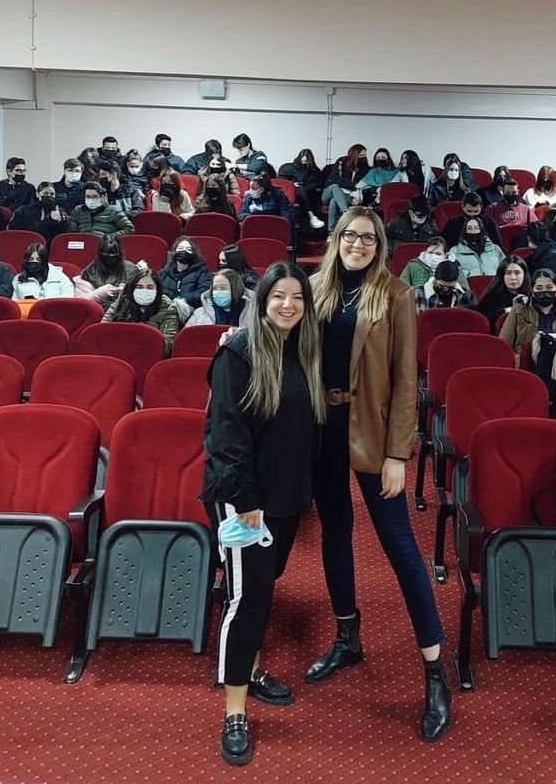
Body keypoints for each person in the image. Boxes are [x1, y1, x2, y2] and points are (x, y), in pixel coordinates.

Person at [303, 208, 451, 741]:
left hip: (371, 429)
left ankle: (435, 671)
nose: (358, 244)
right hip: (321, 429)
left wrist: (397, 454)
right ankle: (348, 637)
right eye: (350, 235)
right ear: (337, 238)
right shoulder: (315, 289)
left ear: (379, 244)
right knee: (335, 533)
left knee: (399, 544)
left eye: (368, 237)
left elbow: (407, 379)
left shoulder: (395, 294)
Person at [202, 262, 323, 766]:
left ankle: (250, 669)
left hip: (287, 496)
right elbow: (225, 434)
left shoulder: (303, 352)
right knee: (246, 600)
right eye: (279, 296)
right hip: (244, 500)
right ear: (262, 300)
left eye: (297, 298)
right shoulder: (237, 352)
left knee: (263, 588)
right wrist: (247, 500)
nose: (288, 305)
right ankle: (234, 711)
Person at [102, 268, 182, 355]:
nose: (145, 291)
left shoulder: (168, 308)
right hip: (117, 351)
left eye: (150, 287)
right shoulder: (122, 301)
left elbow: (167, 345)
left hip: (147, 355)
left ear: (158, 289)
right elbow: (103, 330)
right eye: (139, 287)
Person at [499, 269, 556, 358]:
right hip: (526, 360)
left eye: (549, 287)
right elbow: (504, 343)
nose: (544, 291)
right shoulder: (519, 310)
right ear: (532, 290)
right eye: (539, 288)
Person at [73, 234, 140, 308]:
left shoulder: (131, 270)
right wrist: (103, 292)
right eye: (106, 257)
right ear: (100, 255)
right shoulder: (90, 271)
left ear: (120, 255)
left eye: (114, 257)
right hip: (97, 308)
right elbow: (82, 300)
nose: (110, 261)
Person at [279, 149, 327, 230]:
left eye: (306, 162)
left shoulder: (314, 170)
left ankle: (311, 218)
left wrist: (307, 187)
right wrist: (292, 184)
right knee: (300, 188)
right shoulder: (290, 168)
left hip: (308, 191)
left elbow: (319, 182)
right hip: (293, 190)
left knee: (302, 189)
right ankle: (311, 216)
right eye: (302, 161)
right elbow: (282, 180)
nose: (304, 163)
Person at [474, 257, 530, 326]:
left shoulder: (531, 296)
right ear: (502, 275)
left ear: (524, 275)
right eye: (508, 273)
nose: (513, 278)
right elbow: (484, 321)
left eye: (517, 273)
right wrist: (506, 311)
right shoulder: (491, 298)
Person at [160, 237, 213, 310]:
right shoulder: (165, 272)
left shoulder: (203, 271)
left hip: (193, 309)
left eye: (188, 249)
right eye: (180, 248)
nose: (184, 251)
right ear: (174, 251)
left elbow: (202, 294)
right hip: (167, 309)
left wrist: (177, 299)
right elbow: (160, 291)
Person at [398, 238, 467, 294]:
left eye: (438, 254)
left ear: (445, 255)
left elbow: (465, 291)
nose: (433, 256)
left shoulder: (455, 267)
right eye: (430, 253)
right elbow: (401, 289)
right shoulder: (413, 265)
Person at [322, 149, 369, 230]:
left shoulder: (364, 168)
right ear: (354, 155)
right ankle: (345, 211)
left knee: (334, 201)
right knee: (335, 186)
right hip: (328, 192)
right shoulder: (342, 161)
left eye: (364, 155)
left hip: (347, 194)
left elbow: (363, 184)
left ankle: (331, 230)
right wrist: (353, 185)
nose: (363, 158)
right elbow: (335, 178)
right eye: (361, 155)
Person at [11, 242, 75, 301]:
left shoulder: (59, 276)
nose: (34, 262)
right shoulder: (18, 280)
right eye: (31, 259)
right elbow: (14, 302)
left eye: (38, 259)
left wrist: (46, 302)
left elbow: (69, 296)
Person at [68, 181, 134, 237]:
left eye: (95, 196)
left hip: (105, 246)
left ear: (102, 197)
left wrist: (110, 237)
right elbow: (71, 233)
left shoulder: (113, 210)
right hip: (83, 244)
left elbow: (129, 229)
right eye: (88, 196)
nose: (91, 199)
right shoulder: (78, 210)